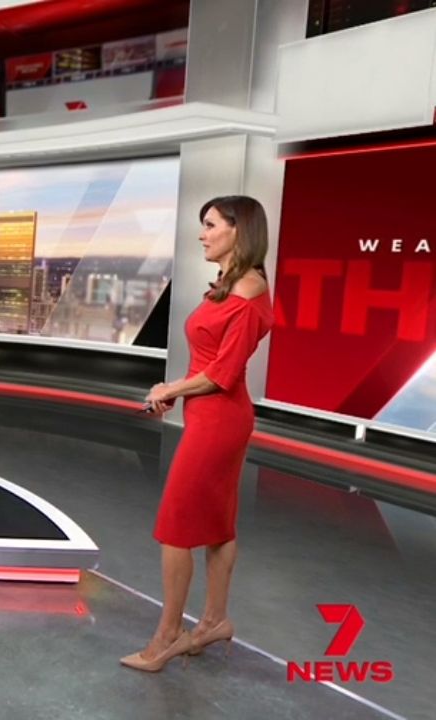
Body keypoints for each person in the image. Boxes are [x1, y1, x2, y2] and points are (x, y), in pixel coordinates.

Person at [120, 195, 275, 672]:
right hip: (210, 415)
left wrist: (170, 388)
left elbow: (222, 374)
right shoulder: (231, 285)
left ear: (238, 230)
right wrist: (179, 391)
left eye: (210, 225)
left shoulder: (246, 295)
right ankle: (214, 622)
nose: (202, 234)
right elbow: (210, 365)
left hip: (220, 421)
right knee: (218, 524)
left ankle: (167, 636)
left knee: (175, 527)